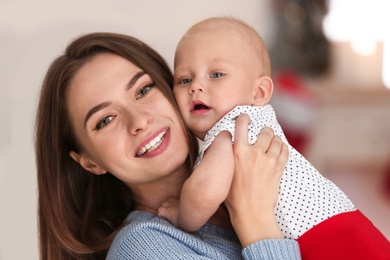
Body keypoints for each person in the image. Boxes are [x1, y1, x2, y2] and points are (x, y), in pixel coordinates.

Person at [35, 32, 301, 259]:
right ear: (89, 161)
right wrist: (256, 220)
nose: (139, 120)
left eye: (143, 90)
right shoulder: (140, 248)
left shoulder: (251, 178)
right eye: (105, 120)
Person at [157, 17, 390, 259]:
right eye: (184, 80)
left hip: (322, 238)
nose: (196, 86)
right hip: (349, 226)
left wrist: (178, 213)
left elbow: (205, 193)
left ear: (259, 92)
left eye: (216, 74)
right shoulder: (260, 121)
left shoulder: (230, 128)